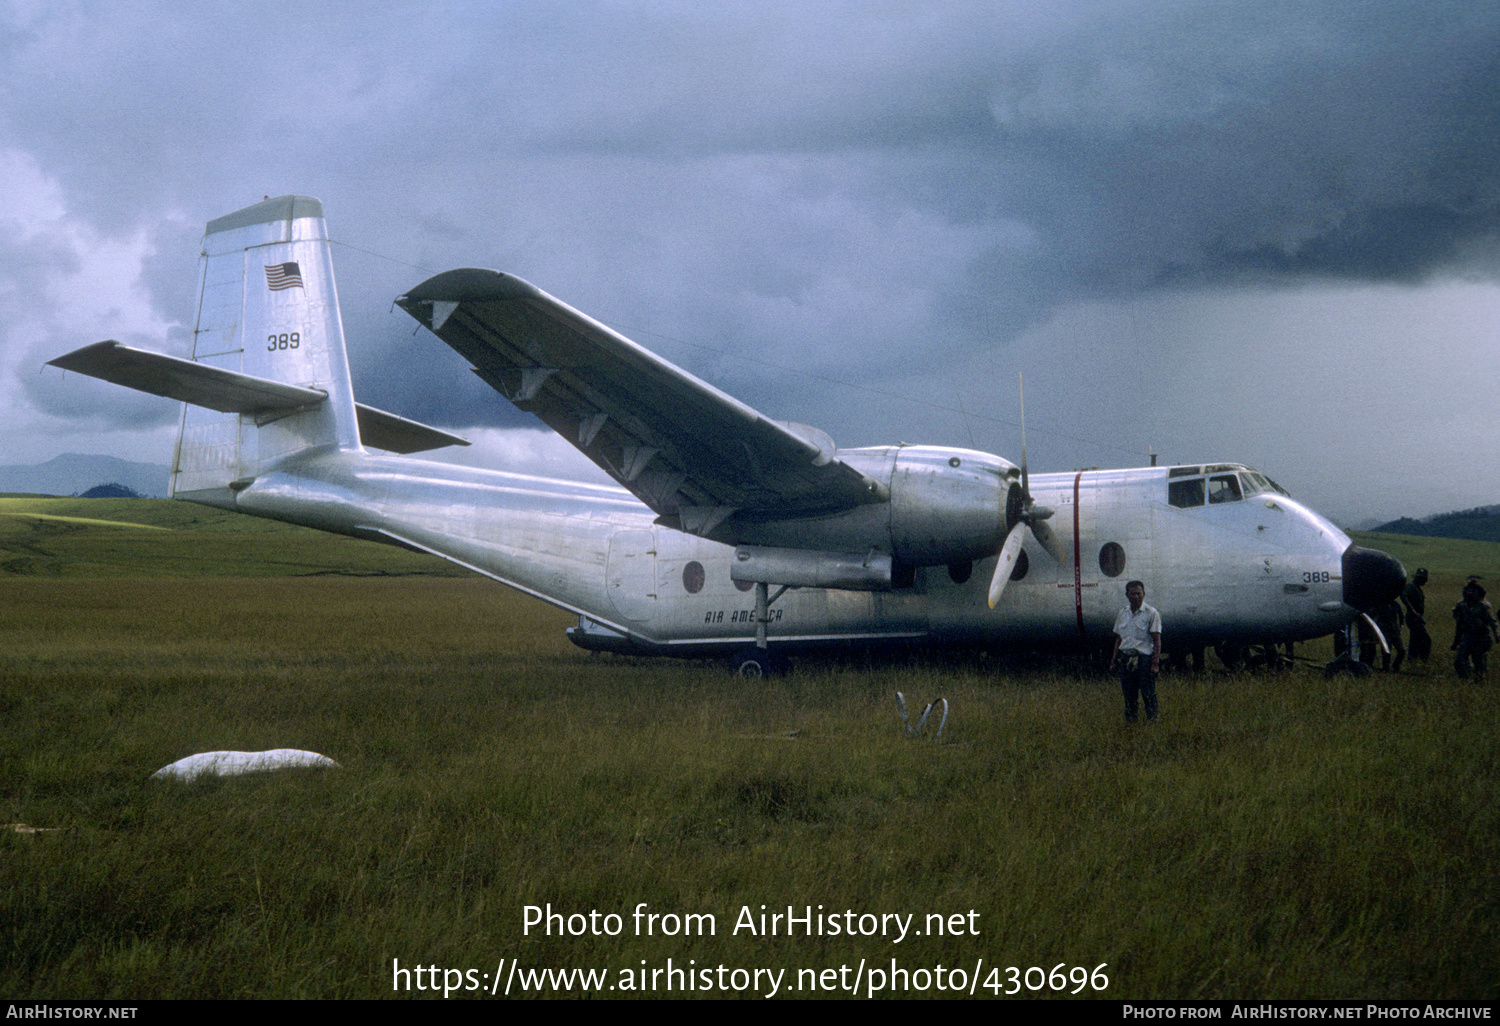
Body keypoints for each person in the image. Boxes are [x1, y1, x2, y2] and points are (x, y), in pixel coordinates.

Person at [1109, 580, 1161, 722]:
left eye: (1139, 593)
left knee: (1148, 693)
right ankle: (1131, 723)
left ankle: (1153, 721)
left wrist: (1155, 664)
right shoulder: (1122, 613)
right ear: (1127, 595)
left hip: (1144, 660)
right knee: (1129, 694)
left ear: (1144, 594)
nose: (1136, 596)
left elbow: (1157, 640)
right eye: (1133, 593)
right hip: (1126, 659)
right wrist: (1113, 661)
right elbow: (1118, 639)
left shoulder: (1151, 613)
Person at [1451, 577, 1499, 680]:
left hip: (1481, 637)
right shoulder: (1461, 606)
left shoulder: (1483, 606)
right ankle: (1465, 678)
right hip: (1467, 636)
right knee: (1459, 659)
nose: (1470, 593)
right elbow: (1459, 625)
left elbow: (1492, 622)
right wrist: (1456, 642)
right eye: (1469, 591)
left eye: (1473, 591)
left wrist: (1497, 635)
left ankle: (1480, 679)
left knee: (1478, 660)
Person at [1402, 568, 1431, 664]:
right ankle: (1423, 660)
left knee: (1415, 639)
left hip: (1417, 617)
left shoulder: (1417, 588)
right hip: (1413, 617)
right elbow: (1404, 597)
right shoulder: (1411, 586)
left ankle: (1412, 659)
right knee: (1426, 639)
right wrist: (1413, 611)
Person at [1373, 597, 1405, 671]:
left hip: (1394, 630)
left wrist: (1401, 626)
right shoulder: (1381, 604)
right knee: (1386, 651)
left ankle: (1395, 666)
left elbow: (1401, 616)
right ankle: (1386, 667)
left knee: (1401, 650)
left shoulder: (1395, 604)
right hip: (1385, 630)